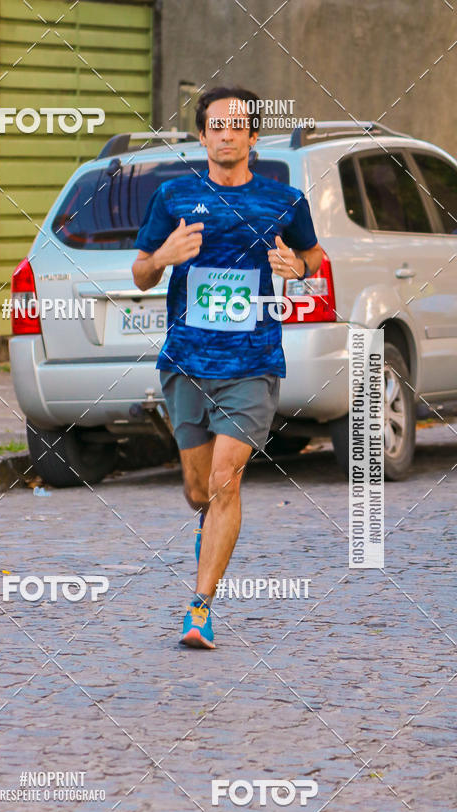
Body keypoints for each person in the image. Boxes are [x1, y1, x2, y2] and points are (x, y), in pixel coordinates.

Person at [131, 86, 323, 648]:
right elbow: (141, 272)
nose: (225, 133)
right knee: (197, 491)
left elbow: (314, 256)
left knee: (224, 481)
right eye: (215, 125)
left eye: (237, 125)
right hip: (186, 361)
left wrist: (296, 264)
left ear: (253, 136)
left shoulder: (282, 200)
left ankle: (200, 609)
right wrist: (163, 257)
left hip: (253, 363)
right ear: (201, 135)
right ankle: (207, 532)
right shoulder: (172, 196)